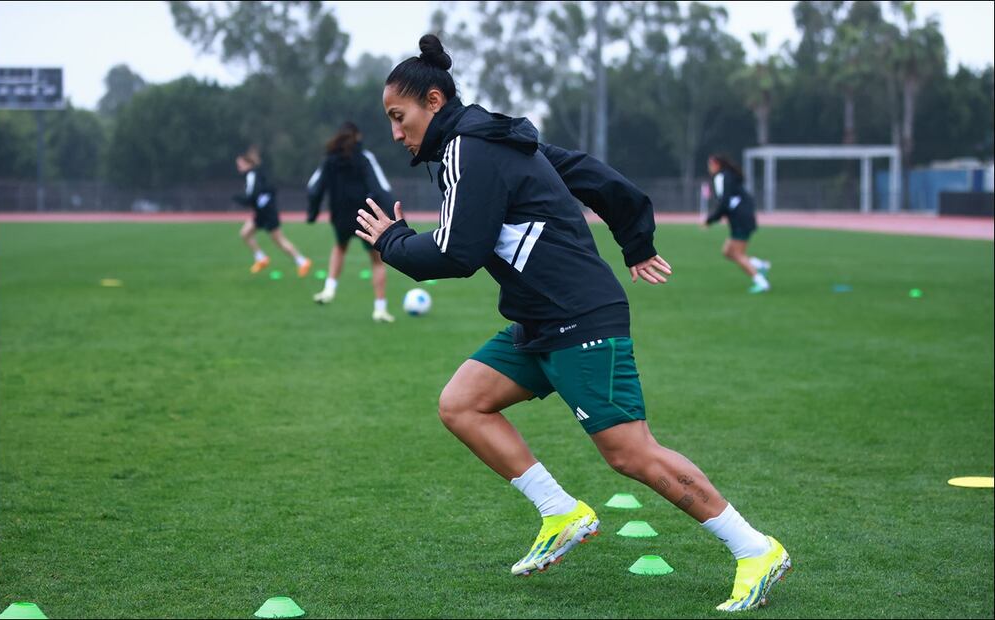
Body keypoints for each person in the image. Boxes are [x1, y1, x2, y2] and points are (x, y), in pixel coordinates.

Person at [355, 35, 792, 612]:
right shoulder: (490, 142)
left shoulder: (470, 148)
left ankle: (755, 548)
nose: (394, 132)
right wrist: (635, 240)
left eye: (398, 116)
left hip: (579, 316)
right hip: (538, 319)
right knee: (462, 403)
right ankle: (561, 512)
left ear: (433, 101)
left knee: (629, 454)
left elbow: (458, 255)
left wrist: (393, 241)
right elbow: (586, 172)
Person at [306, 122, 396, 323]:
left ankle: (329, 289)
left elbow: (314, 188)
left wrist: (312, 213)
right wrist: (393, 217)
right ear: (358, 135)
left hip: (339, 216)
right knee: (377, 261)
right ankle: (380, 309)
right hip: (364, 216)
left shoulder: (329, 159)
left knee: (339, 247)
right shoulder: (364, 157)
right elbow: (381, 187)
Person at [233, 146, 312, 277]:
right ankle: (261, 258)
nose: (238, 166)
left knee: (279, 240)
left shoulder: (253, 174)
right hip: (261, 214)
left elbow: (253, 195)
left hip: (268, 214)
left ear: (248, 163)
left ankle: (302, 261)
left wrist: (240, 199)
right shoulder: (255, 174)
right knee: (245, 233)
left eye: (240, 163)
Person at [704, 154, 771, 293]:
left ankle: (761, 282)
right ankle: (761, 265)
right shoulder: (728, 176)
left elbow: (724, 202)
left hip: (741, 219)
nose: (709, 168)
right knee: (727, 252)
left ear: (717, 165)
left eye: (711, 165)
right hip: (741, 218)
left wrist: (711, 219)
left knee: (737, 254)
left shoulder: (722, 177)